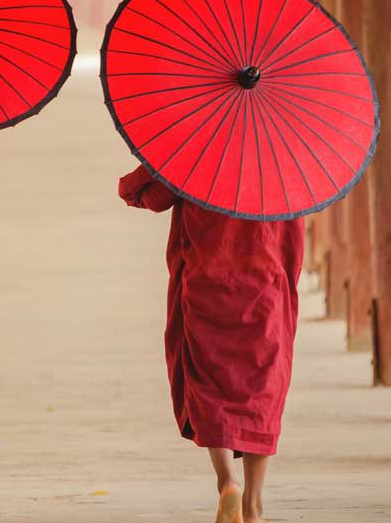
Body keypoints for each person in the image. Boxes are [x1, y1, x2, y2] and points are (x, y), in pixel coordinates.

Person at [118, 163, 303, 523]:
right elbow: (295, 240)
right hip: (265, 284)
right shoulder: (285, 161)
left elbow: (143, 194)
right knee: (262, 389)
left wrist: (164, 160)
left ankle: (227, 483)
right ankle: (253, 504)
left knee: (207, 382)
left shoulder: (198, 150)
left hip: (206, 280)